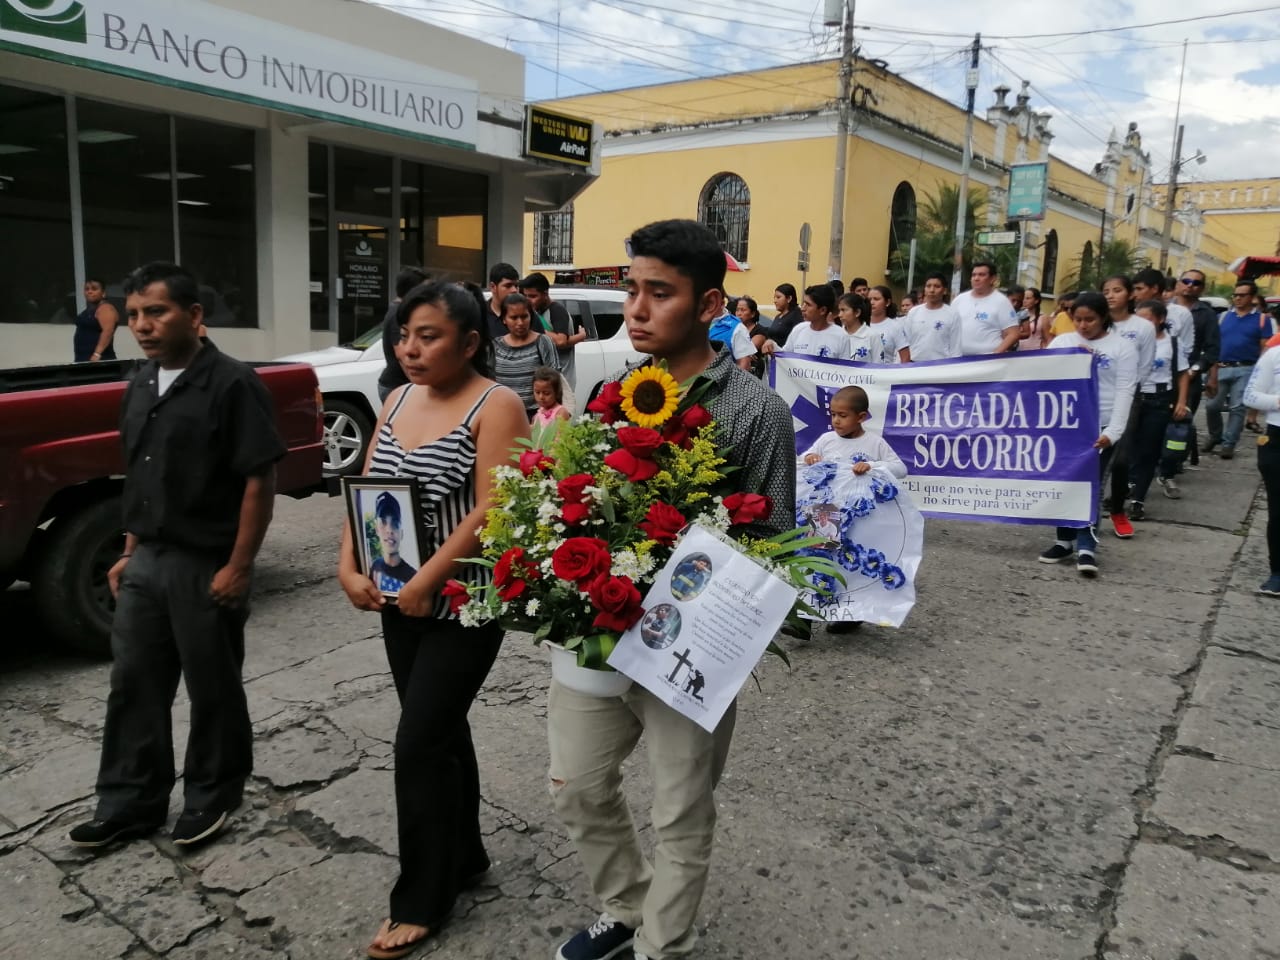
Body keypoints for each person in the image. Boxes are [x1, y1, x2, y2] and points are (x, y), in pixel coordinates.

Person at [550, 218, 794, 960]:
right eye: (633, 289)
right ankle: (626, 908)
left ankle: (664, 945)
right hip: (599, 630)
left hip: (689, 653)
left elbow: (775, 541)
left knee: (681, 809)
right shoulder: (611, 392)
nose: (637, 308)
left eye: (660, 293)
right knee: (577, 785)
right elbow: (574, 498)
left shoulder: (757, 411)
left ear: (709, 303)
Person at [68, 262, 285, 852]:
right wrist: (128, 551)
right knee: (133, 684)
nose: (142, 325)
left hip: (206, 562)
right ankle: (129, 803)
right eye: (134, 314)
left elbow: (258, 481)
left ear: (193, 315)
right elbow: (140, 474)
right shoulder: (140, 382)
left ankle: (212, 795)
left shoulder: (232, 384)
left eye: (156, 312)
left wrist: (239, 566)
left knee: (211, 687)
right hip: (146, 561)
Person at [339, 280, 528, 959]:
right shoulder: (395, 399)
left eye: (428, 336)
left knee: (418, 743)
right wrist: (348, 564)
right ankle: (465, 855)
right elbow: (366, 490)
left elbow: (493, 509)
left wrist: (429, 579)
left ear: (470, 342)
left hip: (464, 604)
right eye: (404, 336)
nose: (409, 349)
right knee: (442, 733)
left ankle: (422, 897)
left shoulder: (496, 404)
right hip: (398, 600)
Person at [1037, 292, 1137, 577]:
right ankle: (1064, 540)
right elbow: (1040, 376)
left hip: (1100, 426)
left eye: (1090, 319)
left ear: (1103, 317)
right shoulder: (1063, 342)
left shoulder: (1122, 347)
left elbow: (1125, 390)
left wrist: (1113, 432)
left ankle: (1086, 546)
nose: (1083, 325)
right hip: (1066, 424)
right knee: (1064, 482)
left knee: (1091, 485)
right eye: (1077, 319)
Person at [1125, 300, 1190, 522]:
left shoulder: (1172, 343)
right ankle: (1126, 486)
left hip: (1159, 401)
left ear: (1161, 319)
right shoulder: (1130, 341)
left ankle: (1138, 500)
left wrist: (1181, 402)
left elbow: (1182, 374)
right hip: (1132, 399)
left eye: (1148, 319)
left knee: (1148, 451)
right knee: (1126, 450)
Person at [1102, 274, 1156, 539]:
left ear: (1130, 294)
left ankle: (1117, 509)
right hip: (1093, 396)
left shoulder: (1143, 327)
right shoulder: (1095, 322)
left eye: (1117, 290)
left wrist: (1128, 390)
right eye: (1106, 291)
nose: (1111, 295)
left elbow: (1145, 366)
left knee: (1121, 457)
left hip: (1127, 396)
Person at [1206, 279, 1276, 460]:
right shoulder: (1223, 317)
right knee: (1212, 405)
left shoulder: (1262, 320)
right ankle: (1215, 435)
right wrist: (1212, 370)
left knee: (1237, 407)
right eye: (1235, 295)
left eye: (1242, 295)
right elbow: (1214, 344)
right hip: (1222, 367)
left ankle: (1228, 443)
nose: (1237, 298)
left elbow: (1264, 348)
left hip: (1246, 368)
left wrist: (1260, 373)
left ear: (1252, 297)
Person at [799, 384, 907, 478]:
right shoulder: (826, 439)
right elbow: (803, 458)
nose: (836, 420)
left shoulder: (875, 442)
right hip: (831, 495)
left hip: (863, 495)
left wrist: (870, 466)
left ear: (861, 417)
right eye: (833, 414)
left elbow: (901, 470)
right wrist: (809, 457)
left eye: (843, 416)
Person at [1243, 335, 1280, 596]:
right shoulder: (1274, 356)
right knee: (1278, 512)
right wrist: (1277, 401)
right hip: (1276, 440)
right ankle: (1277, 571)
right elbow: (1250, 396)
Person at [1174, 270, 1221, 468]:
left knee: (1181, 420)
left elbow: (1212, 350)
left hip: (1189, 376)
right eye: (1186, 281)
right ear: (1178, 283)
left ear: (1202, 288)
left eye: (1196, 283)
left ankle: (1173, 464)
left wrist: (1195, 370)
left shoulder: (1207, 315)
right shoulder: (1164, 308)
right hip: (1159, 376)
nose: (1190, 285)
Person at [493, 292, 560, 417]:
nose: (520, 322)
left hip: (537, 414)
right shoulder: (496, 346)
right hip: (504, 413)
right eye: (514, 318)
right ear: (504, 319)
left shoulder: (542, 342)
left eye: (524, 317)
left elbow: (555, 381)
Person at [520, 273, 587, 389]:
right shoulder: (534, 312)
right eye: (526, 296)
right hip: (544, 379)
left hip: (560, 380)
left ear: (545, 294)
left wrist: (534, 329)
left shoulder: (557, 311)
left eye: (533, 296)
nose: (528, 300)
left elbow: (561, 341)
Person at [761, 284, 853, 360]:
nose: (803, 308)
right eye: (804, 303)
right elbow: (785, 357)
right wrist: (772, 345)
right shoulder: (799, 330)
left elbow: (845, 369)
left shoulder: (841, 336)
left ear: (822, 310)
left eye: (808, 305)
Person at [378, 267, 429, 402]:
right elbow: (401, 355)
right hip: (397, 386)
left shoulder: (399, 310)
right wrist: (419, 387)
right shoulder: (398, 313)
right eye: (424, 289)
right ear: (413, 291)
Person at [953, 262, 1020, 356]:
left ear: (992, 279)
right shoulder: (959, 300)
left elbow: (1013, 334)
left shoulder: (1001, 302)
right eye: (974, 275)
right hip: (958, 358)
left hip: (987, 360)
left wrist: (995, 354)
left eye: (981, 275)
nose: (976, 278)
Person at [900, 272, 961, 362]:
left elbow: (955, 348)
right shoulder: (914, 312)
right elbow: (904, 342)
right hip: (914, 364)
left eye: (937, 286)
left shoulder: (952, 314)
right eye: (928, 286)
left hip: (941, 365)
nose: (932, 290)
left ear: (944, 290)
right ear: (925, 289)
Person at [369, 492, 418, 592]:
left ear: (402, 533)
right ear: (377, 530)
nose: (389, 530)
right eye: (383, 522)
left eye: (395, 523)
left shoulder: (413, 576)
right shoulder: (375, 566)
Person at [707, 288, 758, 371]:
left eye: (709, 302)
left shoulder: (737, 328)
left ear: (722, 303)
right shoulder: (694, 323)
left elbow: (744, 364)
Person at [73, 277, 120, 362]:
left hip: (100, 360)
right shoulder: (87, 311)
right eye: (87, 289)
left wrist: (97, 354)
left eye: (94, 289)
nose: (89, 291)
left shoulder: (106, 308)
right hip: (82, 359)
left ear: (103, 293)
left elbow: (108, 331)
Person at [530, 364, 572, 444]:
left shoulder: (561, 413)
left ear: (556, 392)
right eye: (537, 392)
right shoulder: (537, 415)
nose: (541, 397)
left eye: (546, 393)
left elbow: (560, 439)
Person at [867, 285, 908, 363]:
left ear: (887, 302)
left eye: (876, 299)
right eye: (869, 299)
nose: (872, 302)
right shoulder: (860, 324)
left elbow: (905, 357)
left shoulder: (895, 326)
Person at [483, 262, 520, 339]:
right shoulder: (480, 315)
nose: (514, 290)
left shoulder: (528, 314)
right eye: (508, 286)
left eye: (516, 286)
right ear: (493, 287)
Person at [837, 292, 873, 361]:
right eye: (839, 310)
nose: (840, 315)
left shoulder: (872, 336)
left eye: (843, 310)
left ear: (857, 312)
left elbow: (879, 364)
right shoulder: (837, 335)